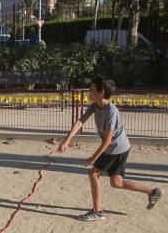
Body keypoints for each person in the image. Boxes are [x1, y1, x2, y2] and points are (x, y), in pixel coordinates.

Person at [55, 76, 162, 221]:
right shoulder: (95, 106)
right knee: (116, 183)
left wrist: (93, 158)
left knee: (93, 173)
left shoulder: (111, 111)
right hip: (118, 148)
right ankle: (153, 192)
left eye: (92, 89)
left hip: (116, 149)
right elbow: (80, 122)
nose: (89, 91)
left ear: (101, 92)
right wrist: (66, 141)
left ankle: (97, 211)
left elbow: (107, 141)